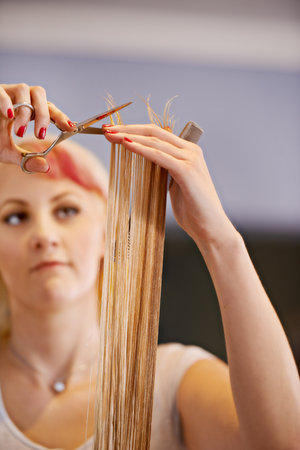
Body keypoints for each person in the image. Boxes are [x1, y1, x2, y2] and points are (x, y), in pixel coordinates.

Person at [0, 83, 299, 450]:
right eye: (14, 217)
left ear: (107, 232)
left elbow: (283, 442)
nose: (44, 235)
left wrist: (221, 241)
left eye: (67, 210)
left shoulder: (170, 380)